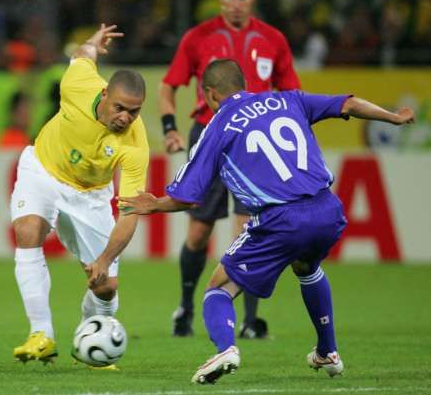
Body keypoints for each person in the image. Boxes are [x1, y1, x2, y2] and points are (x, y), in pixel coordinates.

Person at [116, 59, 415, 383]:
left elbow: (188, 196)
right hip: (328, 209)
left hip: (281, 219)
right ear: (244, 83)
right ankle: (328, 351)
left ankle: (226, 348)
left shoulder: (219, 125)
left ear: (210, 95)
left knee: (218, 287)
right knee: (307, 267)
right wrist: (393, 118)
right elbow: (349, 103)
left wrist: (154, 204)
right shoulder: (288, 99)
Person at [159, 0, 300, 338]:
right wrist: (169, 128)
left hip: (254, 143)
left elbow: (291, 96)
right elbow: (169, 87)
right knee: (199, 232)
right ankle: (185, 309)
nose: (236, 5)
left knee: (250, 230)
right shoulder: (197, 38)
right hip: (209, 136)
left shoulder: (273, 40)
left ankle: (250, 322)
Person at [11, 23, 149, 367]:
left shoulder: (134, 146)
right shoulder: (77, 85)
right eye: (119, 107)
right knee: (28, 231)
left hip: (91, 195)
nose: (125, 117)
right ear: (104, 95)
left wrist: (103, 261)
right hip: (43, 169)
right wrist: (91, 41)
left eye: (134, 111)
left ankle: (90, 334)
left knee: (106, 287)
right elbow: (81, 57)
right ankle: (41, 334)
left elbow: (130, 214)